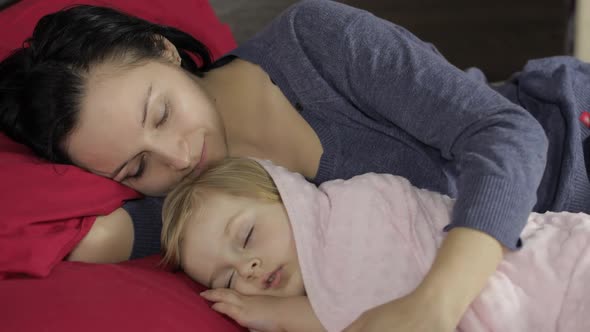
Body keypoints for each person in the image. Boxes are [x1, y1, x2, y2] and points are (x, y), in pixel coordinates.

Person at [1, 0, 589, 330]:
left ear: (164, 50)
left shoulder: (316, 41)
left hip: (571, 150)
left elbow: (505, 134)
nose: (178, 156)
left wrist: (432, 304)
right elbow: (66, 232)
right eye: (135, 167)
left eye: (161, 112)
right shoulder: (194, 207)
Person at [161, 157, 590, 332]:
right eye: (230, 277)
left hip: (559, 270)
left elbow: (388, 300)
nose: (250, 267)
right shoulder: (324, 285)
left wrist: (281, 314)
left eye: (247, 236)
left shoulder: (359, 205)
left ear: (284, 194)